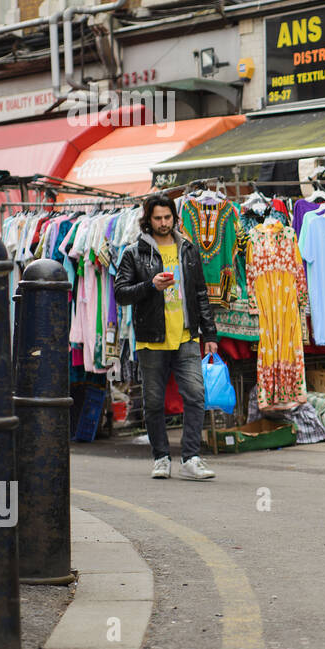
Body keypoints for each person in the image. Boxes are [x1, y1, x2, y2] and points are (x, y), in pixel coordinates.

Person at [114, 194, 219, 481]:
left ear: (174, 218)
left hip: (186, 335)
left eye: (167, 217)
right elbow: (120, 294)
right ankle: (161, 457)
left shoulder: (188, 249)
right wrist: (150, 285)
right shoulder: (134, 253)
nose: (163, 223)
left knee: (196, 395)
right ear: (148, 220)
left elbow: (200, 294)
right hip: (152, 339)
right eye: (157, 218)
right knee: (154, 401)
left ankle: (191, 457)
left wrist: (209, 333)